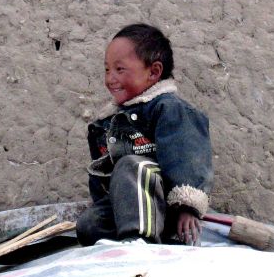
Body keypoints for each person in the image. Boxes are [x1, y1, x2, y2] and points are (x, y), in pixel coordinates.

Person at [76, 23, 213, 246]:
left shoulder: (169, 109)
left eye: (120, 70)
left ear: (154, 72)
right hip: (129, 209)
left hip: (167, 207)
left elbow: (188, 158)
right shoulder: (108, 122)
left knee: (132, 166)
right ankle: (136, 238)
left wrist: (187, 209)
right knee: (89, 225)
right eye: (107, 69)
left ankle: (139, 242)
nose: (111, 78)